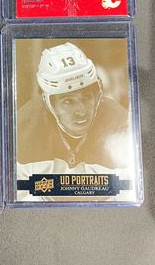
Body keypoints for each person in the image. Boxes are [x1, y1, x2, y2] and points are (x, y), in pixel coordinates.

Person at [16, 42, 131, 188]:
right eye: (68, 101)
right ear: (48, 102)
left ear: (98, 95)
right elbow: (20, 192)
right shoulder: (21, 131)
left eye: (87, 97)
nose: (82, 111)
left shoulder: (123, 126)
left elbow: (126, 191)